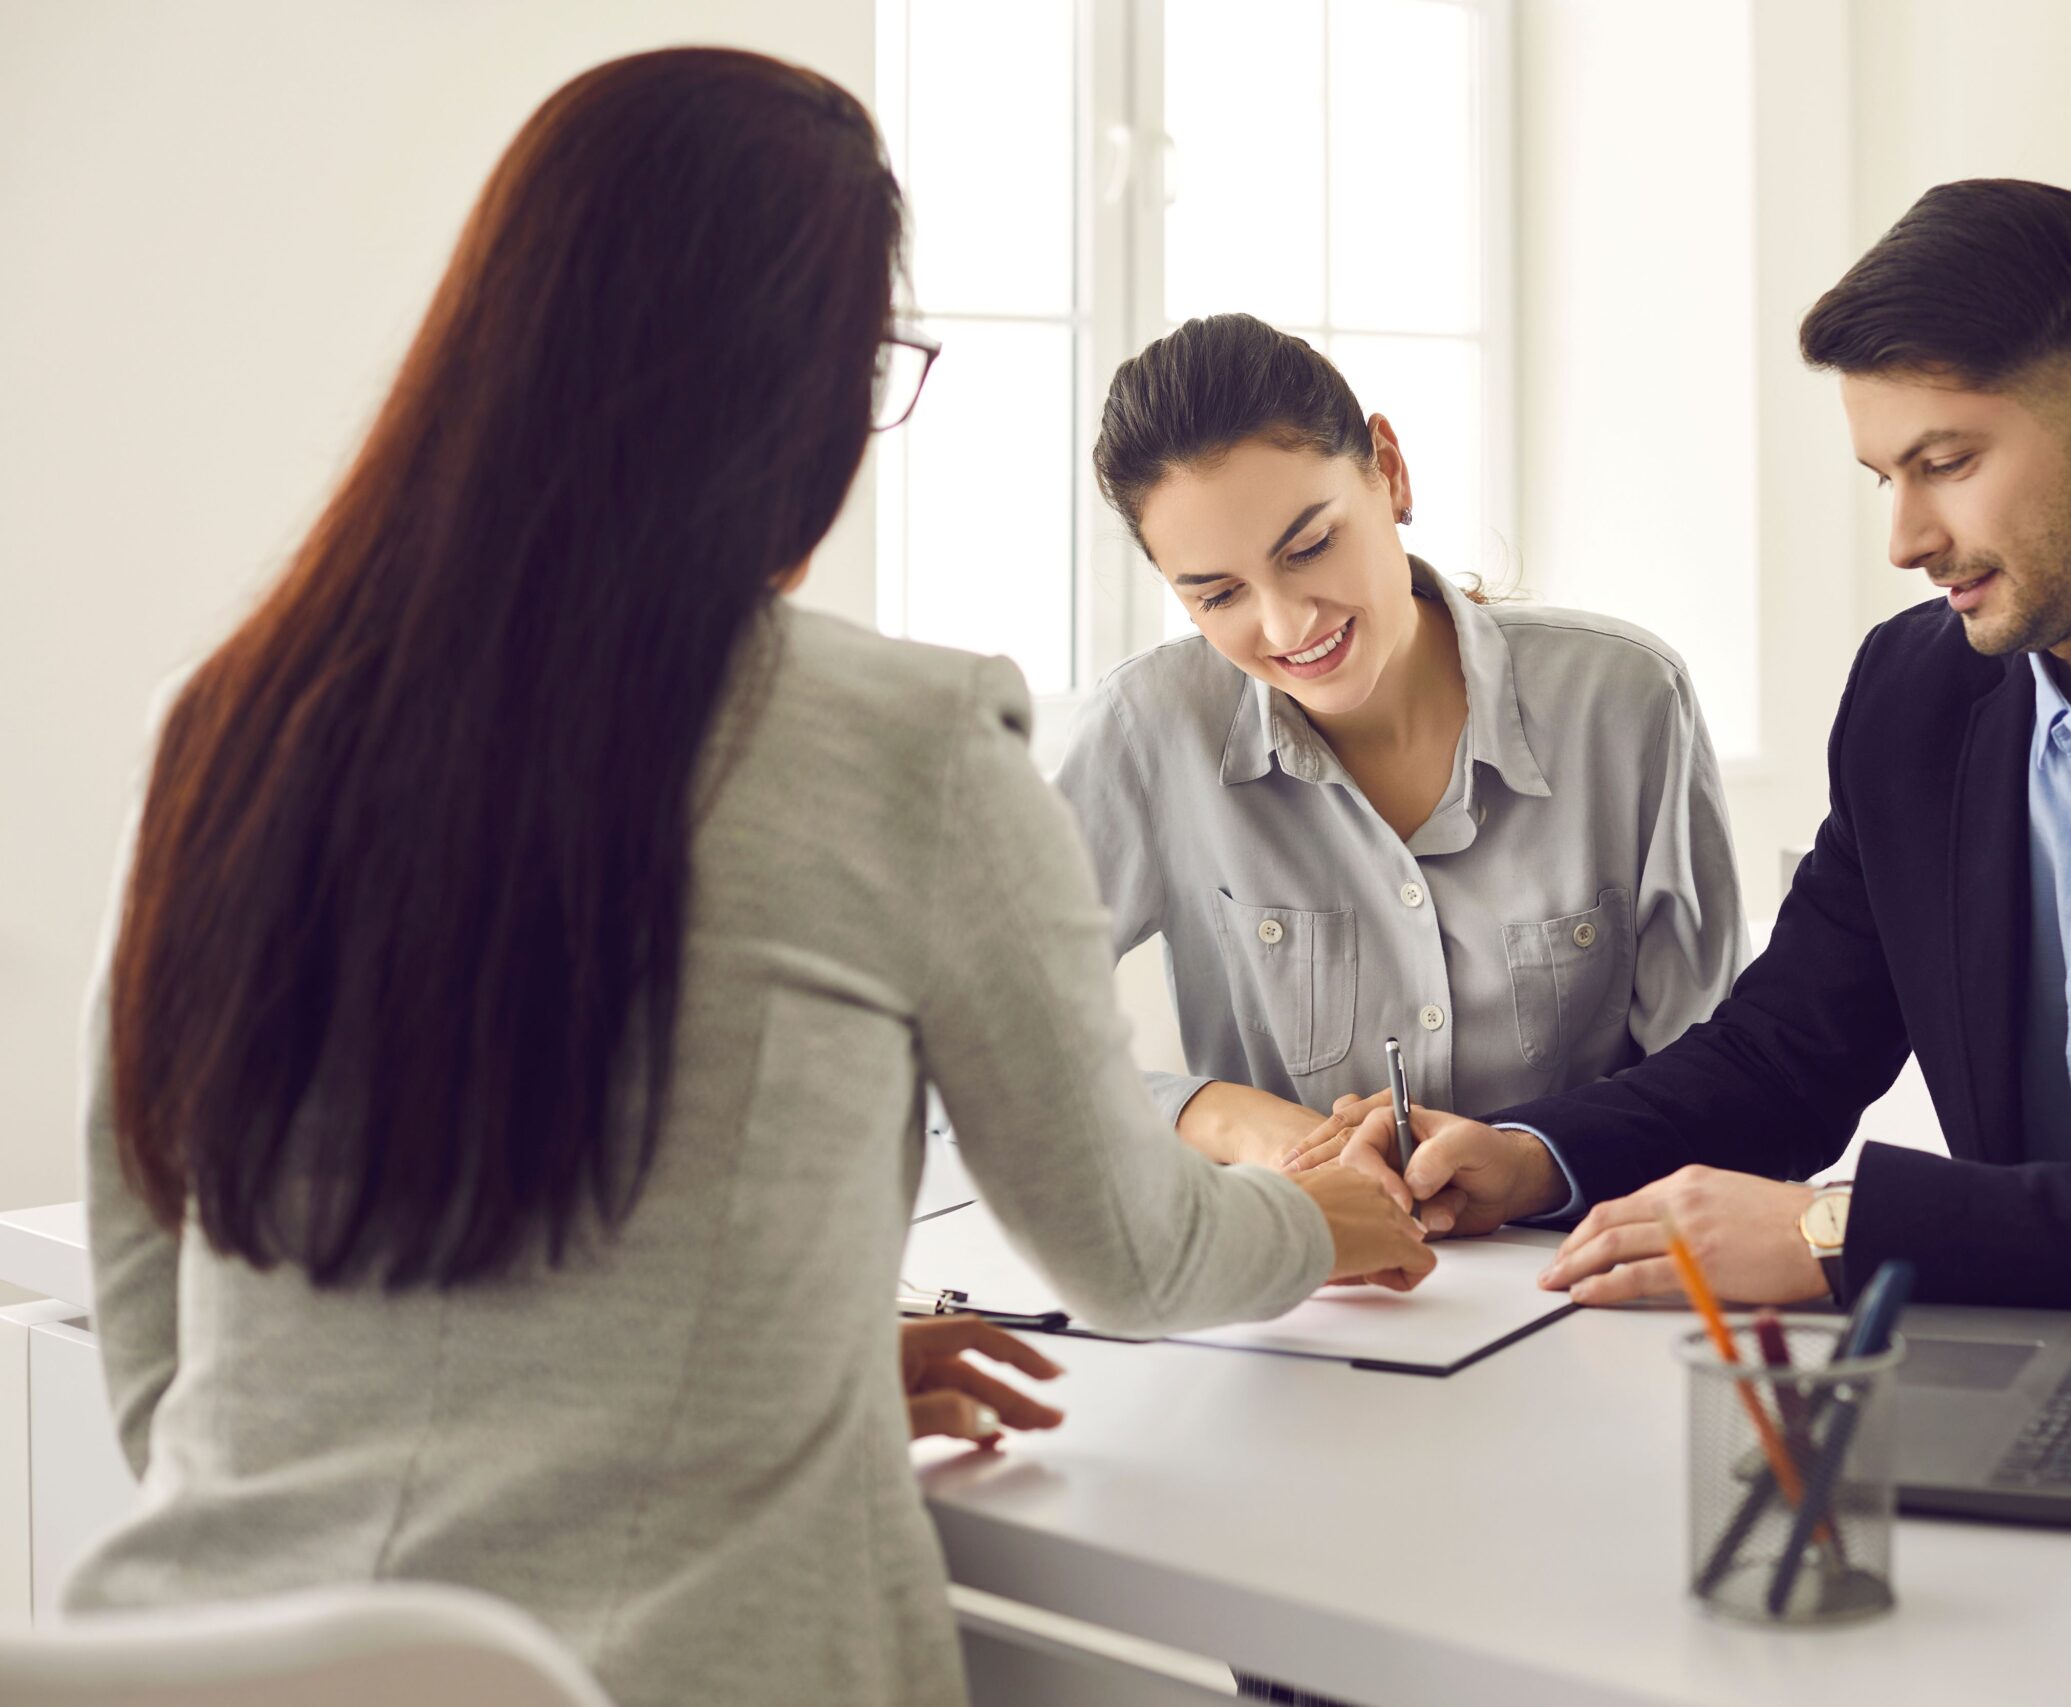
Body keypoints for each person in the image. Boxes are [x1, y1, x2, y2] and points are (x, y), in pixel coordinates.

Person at [62, 48, 1430, 1707]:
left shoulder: (229, 720)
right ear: (798, 388)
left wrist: (805, 1374)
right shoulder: (901, 740)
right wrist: (1319, 1216)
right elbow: (1128, 1253)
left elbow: (156, 1337)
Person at [1305, 179, 2071, 1363]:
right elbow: (1787, 1051)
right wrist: (1528, 1154)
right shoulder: (1918, 693)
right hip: (2059, 1350)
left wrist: (1832, 1233)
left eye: (1947, 464)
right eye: (1883, 478)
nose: (1906, 538)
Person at [1056, 313, 1745, 1183]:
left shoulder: (1626, 702)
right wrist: (1227, 1117)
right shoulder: (1147, 730)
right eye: (1220, 595)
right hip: (1299, 1285)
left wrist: (1535, 1162)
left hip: (1584, 1273)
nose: (1287, 625)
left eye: (1310, 546)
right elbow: (970, 1034)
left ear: (1389, 469)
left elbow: (1724, 1080)